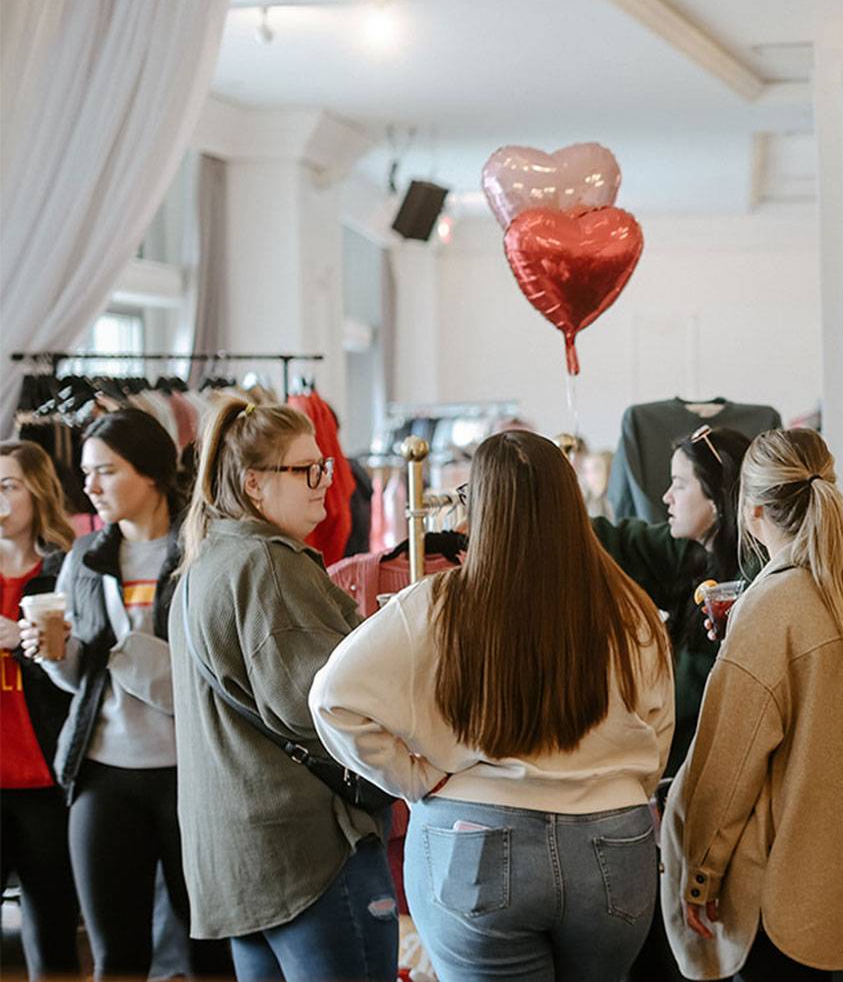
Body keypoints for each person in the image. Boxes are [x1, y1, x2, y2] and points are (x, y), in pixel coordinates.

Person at [312, 430, 674, 982]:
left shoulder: (435, 606)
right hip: (612, 840)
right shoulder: (630, 606)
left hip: (474, 836)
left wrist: (414, 777)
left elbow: (332, 698)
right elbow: (658, 728)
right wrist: (618, 785)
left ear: (478, 510)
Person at [663, 428, 843, 981]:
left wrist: (698, 877)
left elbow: (725, 769)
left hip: (784, 902)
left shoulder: (774, 608)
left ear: (751, 508)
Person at [168, 399, 397, 980]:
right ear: (254, 484)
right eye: (306, 470)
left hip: (242, 859)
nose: (326, 482)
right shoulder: (269, 563)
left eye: (324, 464)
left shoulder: (206, 561)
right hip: (309, 852)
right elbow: (325, 704)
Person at [18, 408, 230, 978]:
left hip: (193, 772)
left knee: (212, 952)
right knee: (116, 957)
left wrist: (123, 652)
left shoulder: (203, 552)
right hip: (103, 771)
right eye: (87, 472)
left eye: (106, 472)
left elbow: (217, 667)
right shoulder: (82, 561)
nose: (89, 486)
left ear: (153, 473)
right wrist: (55, 652)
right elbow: (77, 681)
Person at [592, 424, 757, 776]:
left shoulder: (751, 585)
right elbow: (619, 542)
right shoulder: (693, 553)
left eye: (679, 485)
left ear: (717, 497)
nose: (666, 496)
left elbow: (696, 705)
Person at [0, 440, 82, 978]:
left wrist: (21, 641)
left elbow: (80, 677)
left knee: (52, 931)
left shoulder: (65, 573)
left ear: (36, 493)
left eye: (7, 487)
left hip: (47, 782)